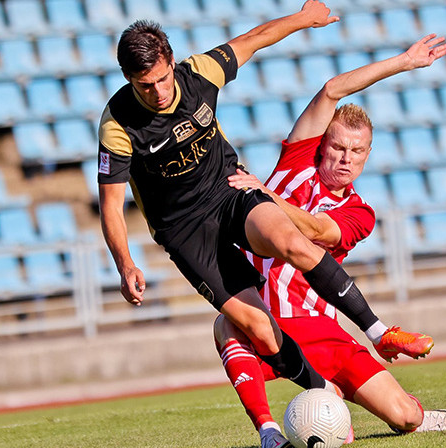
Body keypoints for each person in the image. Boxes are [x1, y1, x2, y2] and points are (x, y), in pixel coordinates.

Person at [98, 1, 428, 400]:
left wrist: (305, 19)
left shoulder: (199, 73)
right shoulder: (118, 124)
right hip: (183, 230)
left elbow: (253, 41)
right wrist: (125, 263)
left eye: (163, 79)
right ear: (128, 78)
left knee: (291, 242)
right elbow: (111, 205)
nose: (159, 92)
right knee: (258, 328)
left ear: (171, 62)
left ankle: (379, 331)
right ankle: (320, 398)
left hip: (228, 190)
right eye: (145, 85)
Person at [215, 35, 446, 448]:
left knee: (404, 418)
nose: (345, 157)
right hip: (264, 321)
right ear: (321, 146)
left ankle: (405, 411)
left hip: (320, 328)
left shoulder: (360, 213)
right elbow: (333, 89)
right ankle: (267, 432)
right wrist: (402, 62)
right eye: (337, 146)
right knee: (226, 322)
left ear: (368, 155)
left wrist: (267, 195)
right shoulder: (296, 161)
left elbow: (314, 232)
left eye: (357, 150)